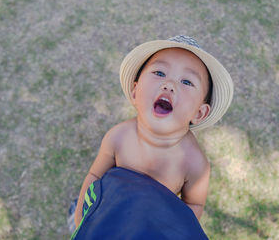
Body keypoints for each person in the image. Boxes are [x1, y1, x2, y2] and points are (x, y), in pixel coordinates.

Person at [74, 35, 233, 231]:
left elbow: (194, 205)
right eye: (159, 72)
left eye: (186, 81)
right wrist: (82, 219)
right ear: (135, 91)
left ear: (199, 113)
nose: (170, 84)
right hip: (103, 216)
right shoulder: (118, 137)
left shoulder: (194, 163)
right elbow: (94, 175)